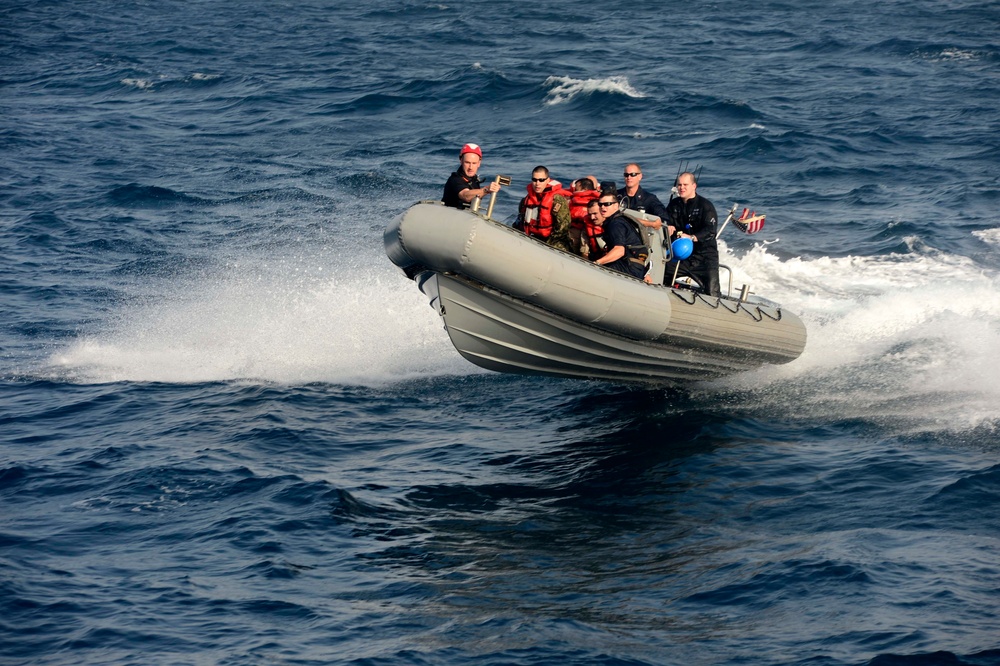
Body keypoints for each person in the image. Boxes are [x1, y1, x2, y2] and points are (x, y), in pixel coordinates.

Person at [665, 171, 719, 296]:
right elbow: (665, 220)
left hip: (704, 257)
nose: (681, 188)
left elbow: (710, 231)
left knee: (712, 292)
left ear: (694, 186)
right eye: (679, 185)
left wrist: (692, 237)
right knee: (662, 271)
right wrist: (667, 226)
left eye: (685, 185)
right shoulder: (674, 205)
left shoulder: (706, 206)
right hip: (681, 256)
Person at [516, 166, 574, 253]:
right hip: (532, 237)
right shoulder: (526, 200)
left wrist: (546, 245)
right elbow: (520, 220)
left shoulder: (557, 200)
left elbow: (563, 228)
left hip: (553, 241)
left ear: (547, 180)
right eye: (534, 180)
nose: (537, 183)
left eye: (541, 180)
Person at [593, 190, 648, 280]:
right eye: (600, 204)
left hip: (627, 267)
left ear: (616, 206)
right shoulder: (621, 220)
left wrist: (597, 262)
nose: (603, 207)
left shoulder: (616, 224)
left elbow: (619, 251)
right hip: (636, 267)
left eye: (607, 204)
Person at [442, 143, 501, 209]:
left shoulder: (474, 180)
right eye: (467, 162)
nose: (471, 167)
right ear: (461, 161)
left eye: (474, 163)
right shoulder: (454, 179)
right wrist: (486, 190)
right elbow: (465, 195)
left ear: (479, 163)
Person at [617, 163, 670, 234]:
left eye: (633, 174)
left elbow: (664, 219)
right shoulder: (616, 196)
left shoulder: (649, 199)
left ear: (640, 176)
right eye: (626, 175)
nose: (629, 177)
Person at [567, 177, 601, 257]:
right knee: (585, 252)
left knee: (572, 251)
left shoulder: (571, 200)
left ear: (579, 185)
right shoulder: (599, 201)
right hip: (591, 231)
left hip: (574, 230)